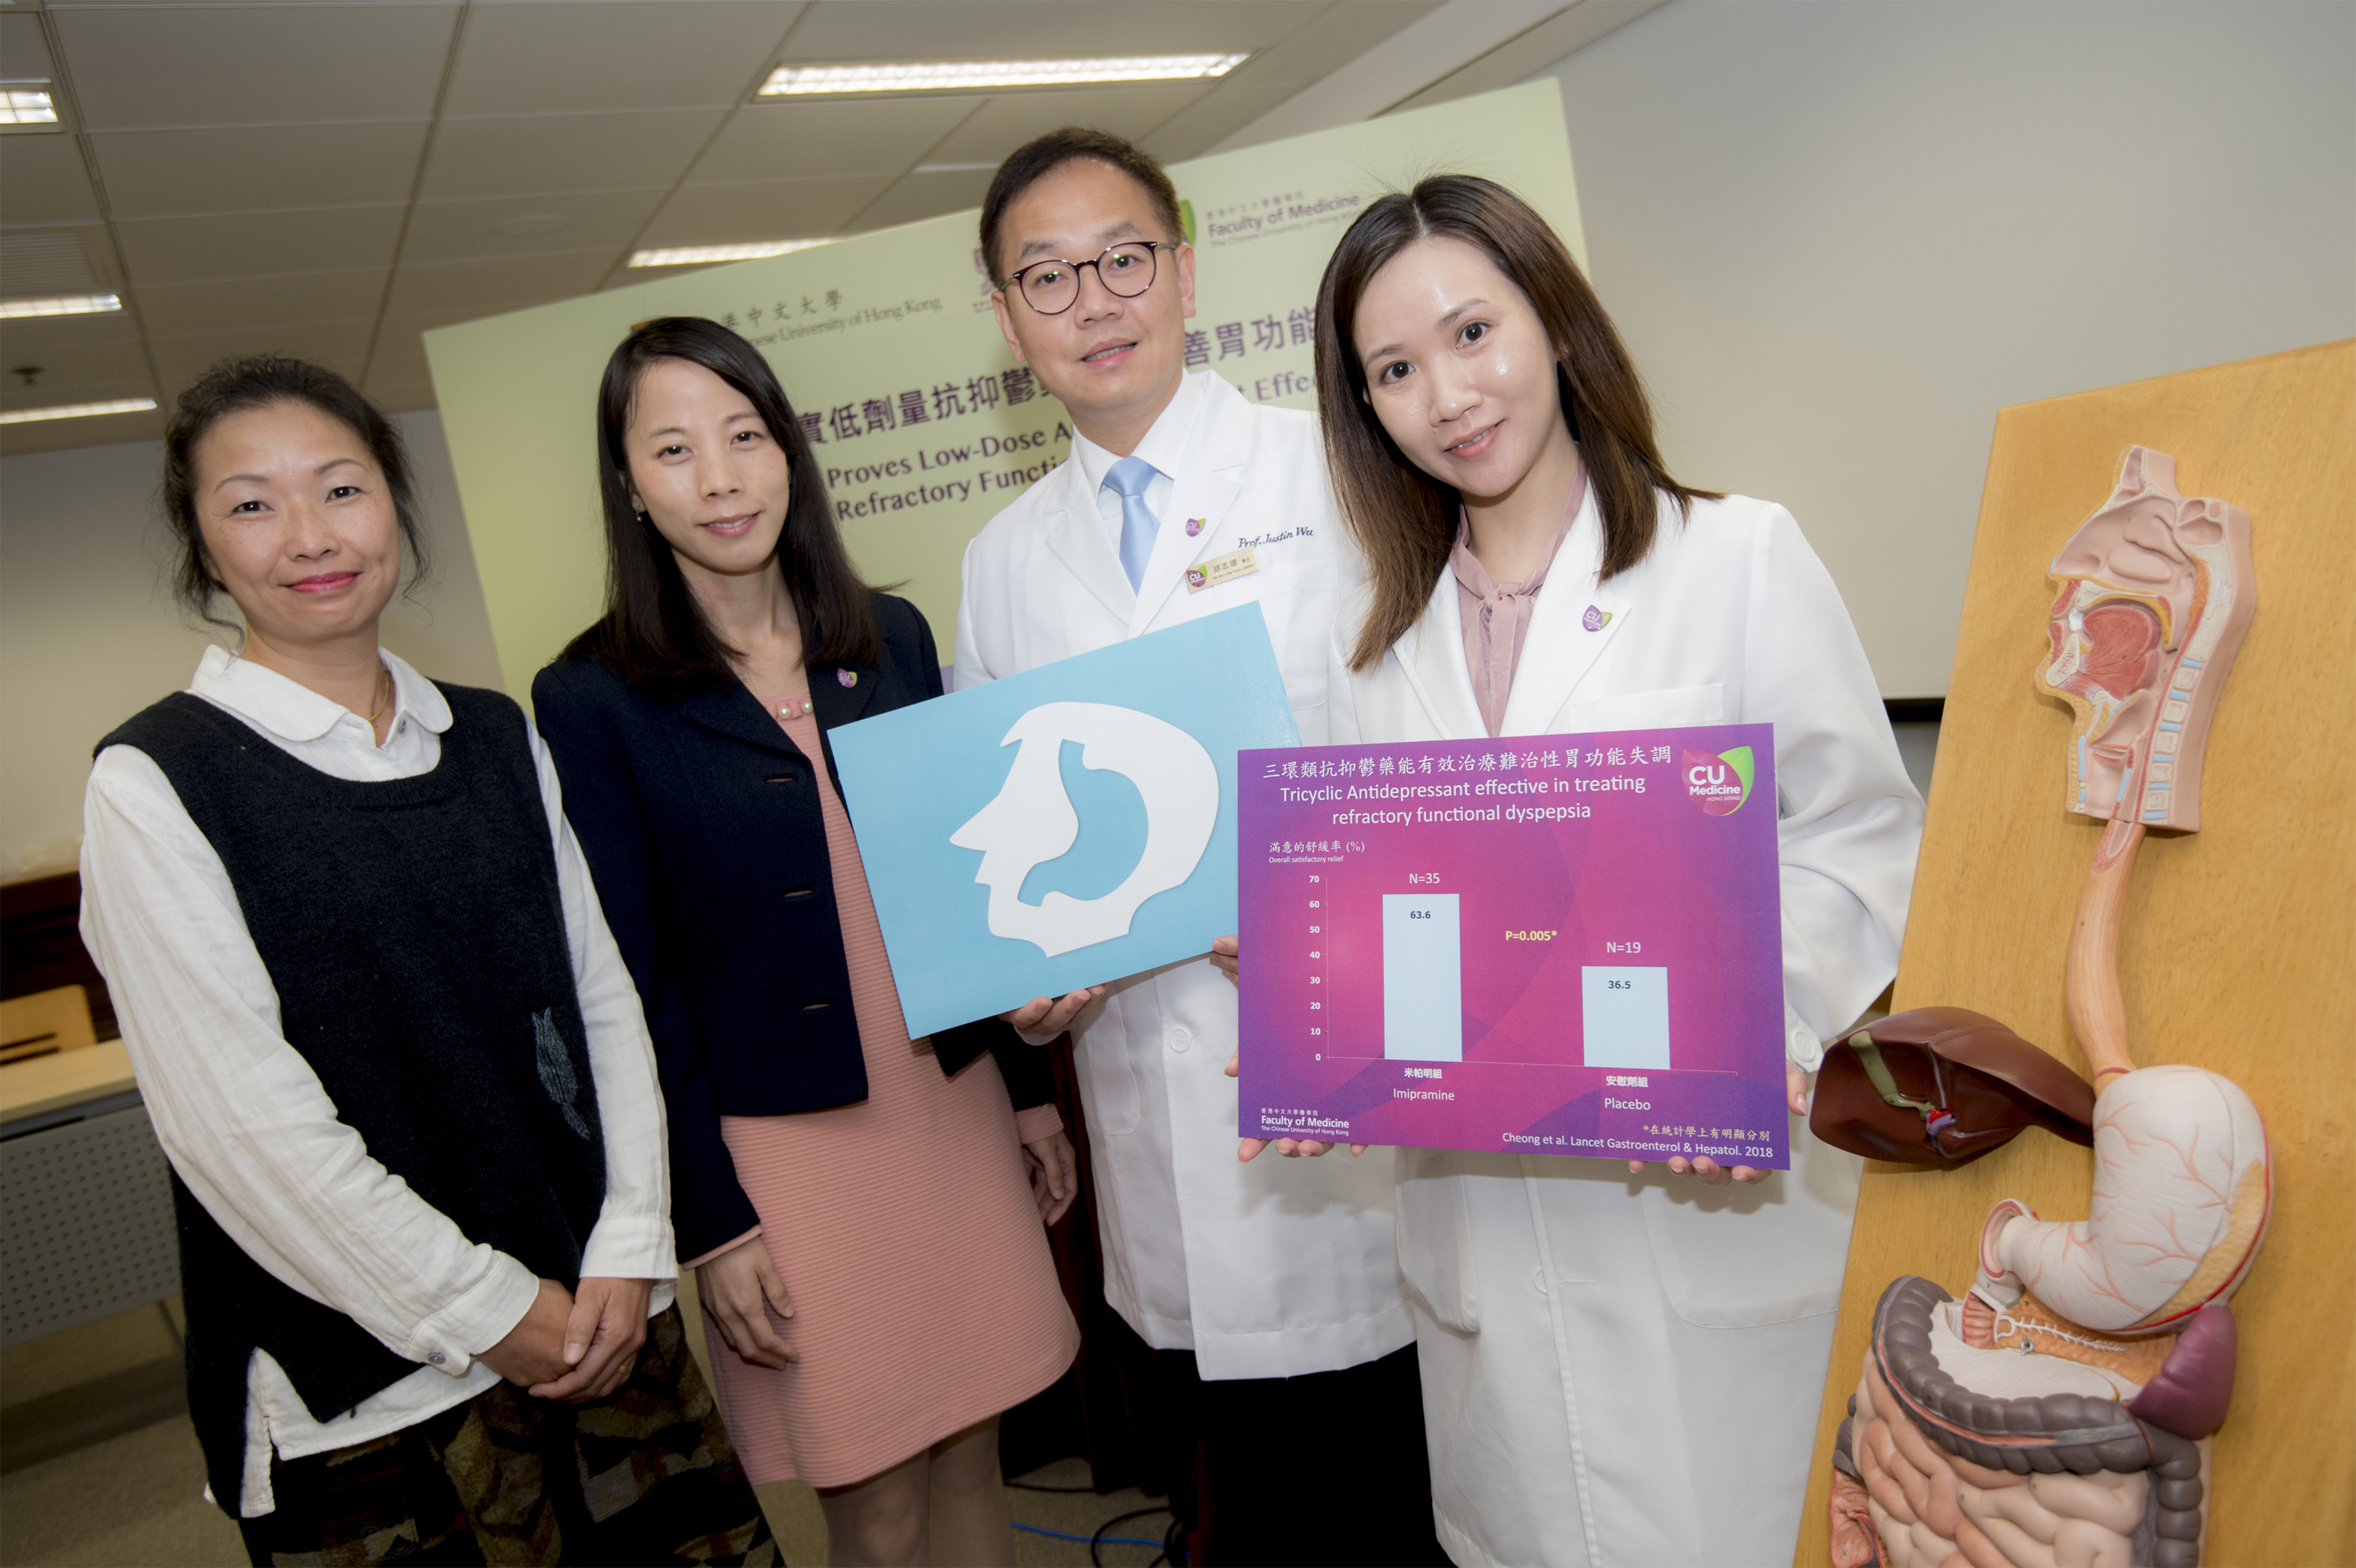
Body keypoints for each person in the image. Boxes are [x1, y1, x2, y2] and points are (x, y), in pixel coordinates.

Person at [1286, 174, 1925, 1567]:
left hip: (1700, 1221)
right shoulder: (1366, 653)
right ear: (1365, 407)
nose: (1448, 394)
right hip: (1486, 1257)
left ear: (1556, 324)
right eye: (1395, 368)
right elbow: (1393, 922)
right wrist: (1329, 1041)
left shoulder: (1736, 558)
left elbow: (1860, 836)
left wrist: (1754, 1024)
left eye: (1473, 332)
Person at [78, 356, 773, 1566]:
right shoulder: (156, 780)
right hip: (377, 1381)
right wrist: (494, 1311)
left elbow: (601, 1001)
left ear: (396, 503)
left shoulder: (495, 733)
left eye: (341, 488)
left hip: (599, 1317)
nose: (308, 535)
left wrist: (627, 1241)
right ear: (201, 548)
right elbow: (242, 1129)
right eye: (250, 504)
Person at [956, 128, 1443, 1566]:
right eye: (1048, 277)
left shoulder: (1339, 474)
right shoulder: (1002, 561)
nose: (1094, 300)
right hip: (1148, 1116)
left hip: (1346, 1086)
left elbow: (1433, 769)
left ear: (1181, 263)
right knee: (1246, 1504)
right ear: (1004, 317)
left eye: (1122, 259)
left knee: (1400, 1498)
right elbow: (1009, 841)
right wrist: (1026, 980)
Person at [531, 318, 1081, 1568]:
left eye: (744, 435)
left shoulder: (887, 637)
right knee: (873, 1493)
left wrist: (1033, 1095)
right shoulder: (595, 698)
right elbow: (631, 986)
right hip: (787, 1158)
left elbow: (969, 885)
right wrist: (710, 1221)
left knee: (974, 1454)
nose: (720, 477)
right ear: (629, 483)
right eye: (673, 449)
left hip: (948, 1108)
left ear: (789, 448)